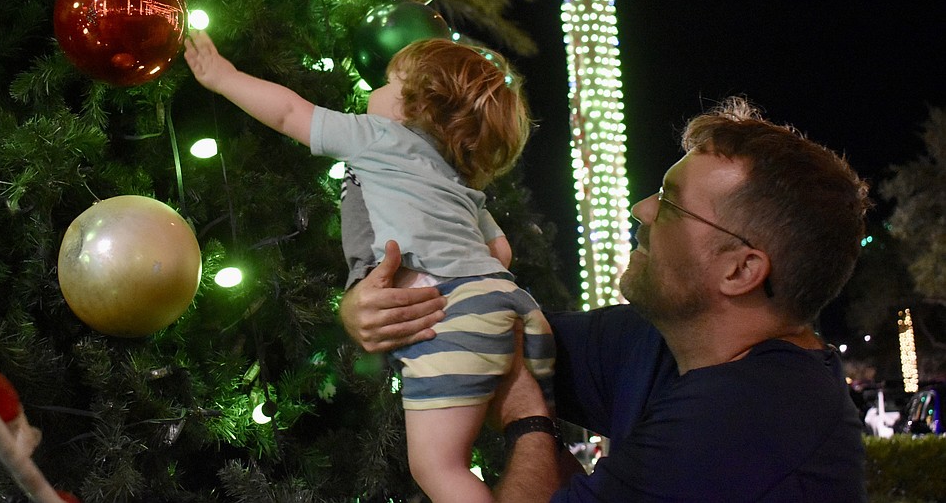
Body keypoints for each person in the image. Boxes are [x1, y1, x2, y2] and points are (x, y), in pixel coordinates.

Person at [340, 97, 871, 502]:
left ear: (740, 269)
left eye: (670, 204)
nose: (641, 209)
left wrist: (530, 418)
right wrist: (369, 305)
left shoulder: (755, 420)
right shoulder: (658, 341)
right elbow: (478, 326)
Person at [184, 31, 555, 503]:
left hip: (447, 313)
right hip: (510, 305)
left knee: (438, 468)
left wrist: (225, 77)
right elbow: (499, 254)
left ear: (413, 106)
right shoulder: (455, 177)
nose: (370, 91)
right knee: (530, 441)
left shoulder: (377, 135)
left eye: (386, 82)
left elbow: (290, 112)